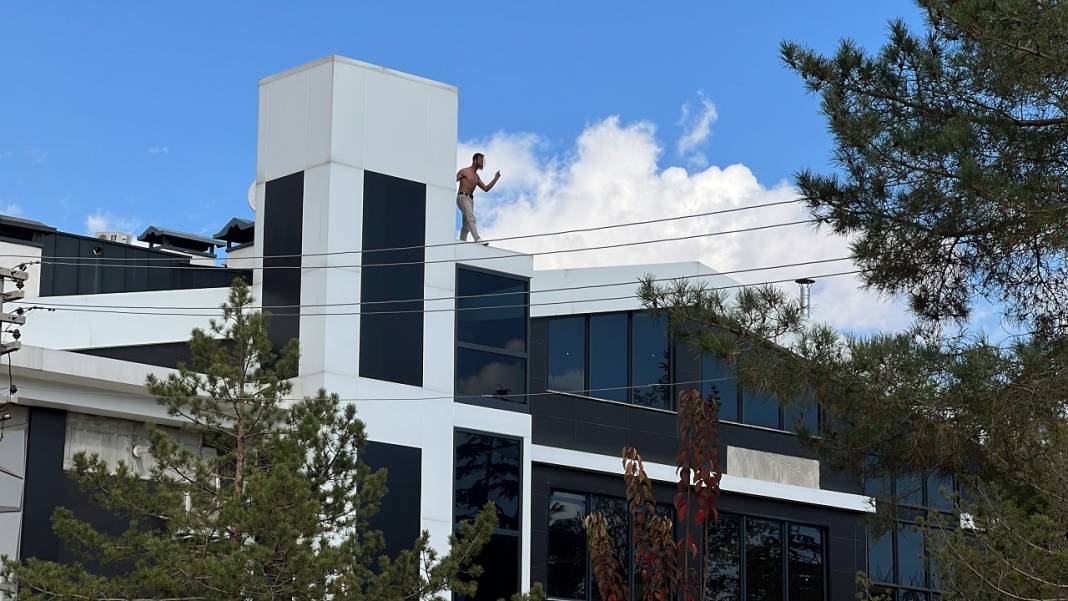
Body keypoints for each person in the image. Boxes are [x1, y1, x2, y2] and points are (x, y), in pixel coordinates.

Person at [456, 153, 500, 243]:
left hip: (470, 200)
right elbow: (451, 180)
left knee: (466, 226)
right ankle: (477, 239)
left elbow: (486, 188)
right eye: (480, 160)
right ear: (474, 160)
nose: (482, 162)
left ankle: (461, 243)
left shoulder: (476, 177)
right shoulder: (464, 171)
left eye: (482, 160)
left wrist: (496, 178)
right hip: (462, 197)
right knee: (471, 218)